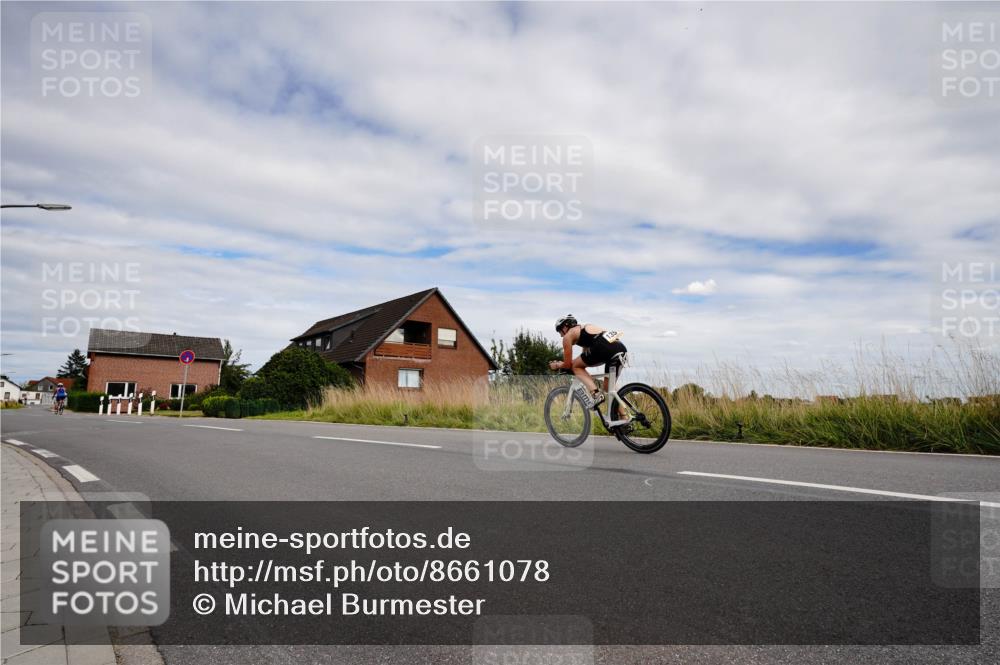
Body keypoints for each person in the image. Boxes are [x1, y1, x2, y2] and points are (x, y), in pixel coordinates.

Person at [549, 315, 627, 409]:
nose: (561, 335)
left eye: (560, 331)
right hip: (620, 348)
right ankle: (624, 418)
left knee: (575, 366)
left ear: (565, 326)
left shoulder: (568, 336)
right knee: (609, 389)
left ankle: (596, 394)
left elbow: (568, 364)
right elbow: (584, 359)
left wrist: (557, 365)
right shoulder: (585, 331)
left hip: (603, 346)